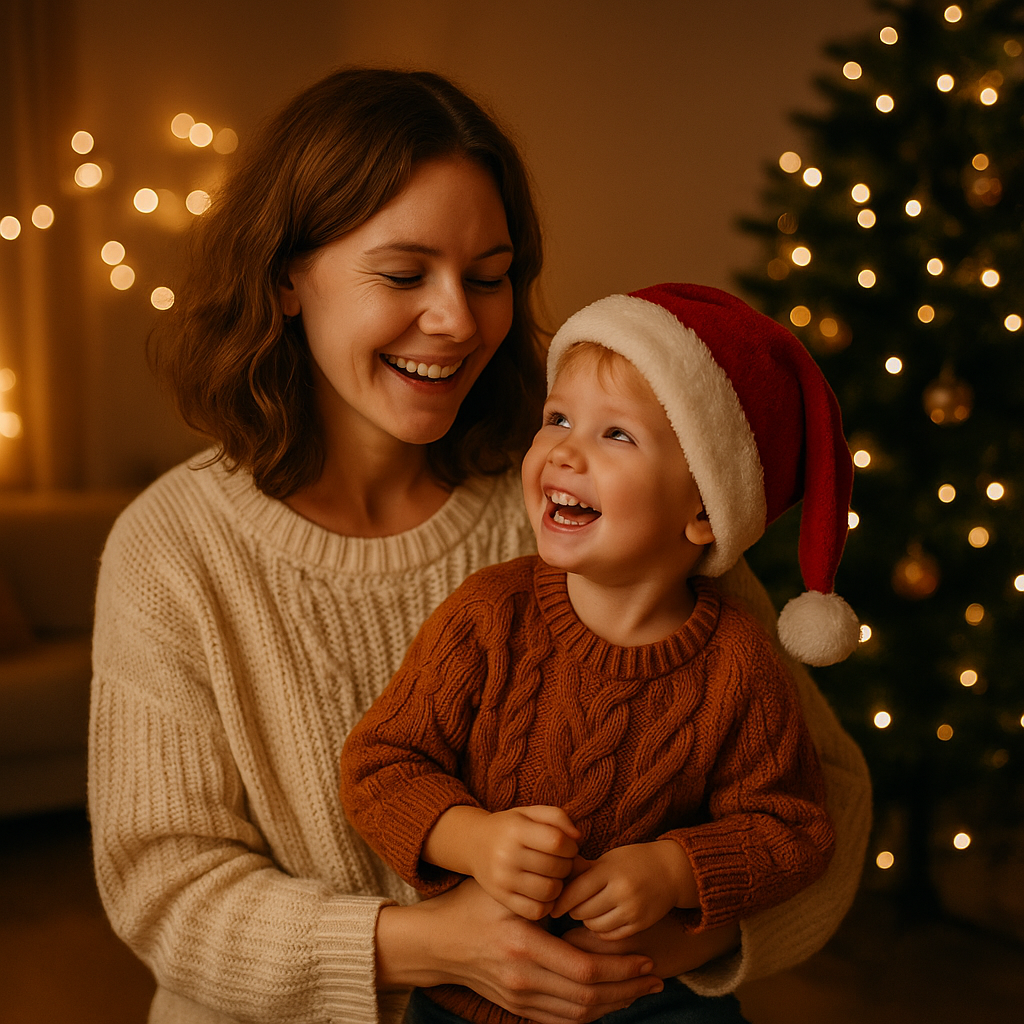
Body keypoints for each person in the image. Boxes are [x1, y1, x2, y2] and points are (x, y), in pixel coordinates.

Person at [88, 68, 871, 1024]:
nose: (459, 320)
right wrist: (439, 949)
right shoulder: (172, 550)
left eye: (489, 277)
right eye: (404, 273)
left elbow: (824, 795)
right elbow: (164, 891)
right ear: (286, 275)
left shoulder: (599, 502)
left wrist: (649, 945)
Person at [340, 283, 859, 1024]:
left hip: (651, 1000)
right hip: (470, 1000)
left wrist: (676, 870)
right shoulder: (491, 614)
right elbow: (380, 764)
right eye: (558, 418)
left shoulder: (738, 663)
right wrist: (474, 839)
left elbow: (793, 827)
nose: (564, 451)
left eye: (616, 435)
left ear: (704, 512)